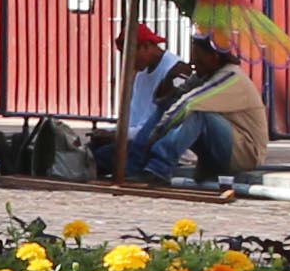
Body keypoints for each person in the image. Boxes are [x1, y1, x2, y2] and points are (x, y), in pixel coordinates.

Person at [108, 22, 258, 190]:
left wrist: (155, 134)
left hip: (244, 152)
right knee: (170, 104)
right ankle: (134, 166)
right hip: (218, 148)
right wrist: (165, 97)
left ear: (214, 58)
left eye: (198, 61)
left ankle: (159, 168)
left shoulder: (231, 77)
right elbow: (174, 101)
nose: (194, 65)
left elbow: (188, 105)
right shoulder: (204, 74)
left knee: (196, 111)